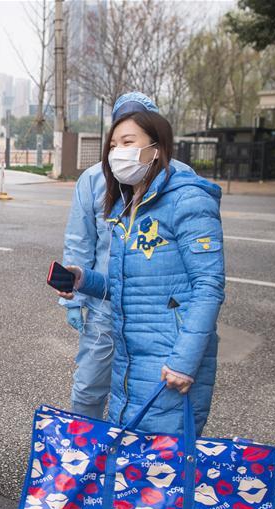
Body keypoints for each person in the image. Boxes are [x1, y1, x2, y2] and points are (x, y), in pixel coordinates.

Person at [55, 94, 225, 435]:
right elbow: (121, 277)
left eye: (128, 142)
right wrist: (82, 281)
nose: (119, 152)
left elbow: (208, 285)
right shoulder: (126, 201)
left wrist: (183, 361)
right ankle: (89, 463)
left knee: (160, 453)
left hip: (166, 346)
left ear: (157, 144)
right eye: (114, 143)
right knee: (125, 435)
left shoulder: (187, 194)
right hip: (124, 334)